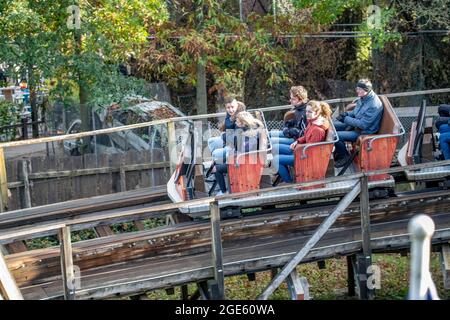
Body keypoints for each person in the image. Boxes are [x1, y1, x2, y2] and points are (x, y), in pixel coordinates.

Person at [272, 101, 332, 183]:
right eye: (306, 111)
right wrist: (297, 142)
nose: (307, 113)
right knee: (275, 147)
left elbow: (311, 150)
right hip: (301, 150)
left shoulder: (318, 130)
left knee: (276, 159)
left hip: (306, 158)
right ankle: (284, 172)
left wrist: (297, 148)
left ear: (317, 112)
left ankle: (289, 182)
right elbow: (305, 136)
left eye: (310, 112)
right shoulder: (312, 122)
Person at [333, 79, 383, 168]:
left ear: (366, 90)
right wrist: (346, 114)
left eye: (360, 89)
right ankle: (339, 151)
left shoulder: (374, 104)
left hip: (364, 131)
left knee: (336, 136)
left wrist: (346, 119)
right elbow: (356, 112)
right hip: (355, 125)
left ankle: (344, 156)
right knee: (332, 126)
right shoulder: (363, 98)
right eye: (357, 88)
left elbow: (364, 124)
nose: (357, 91)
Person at [214, 111, 264, 194]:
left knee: (215, 169)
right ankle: (227, 189)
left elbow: (243, 148)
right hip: (248, 162)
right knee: (221, 159)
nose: (236, 123)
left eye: (237, 121)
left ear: (243, 123)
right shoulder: (254, 130)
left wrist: (226, 137)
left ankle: (224, 192)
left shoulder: (245, 135)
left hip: (242, 165)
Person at [208, 98, 245, 164]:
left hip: (236, 144)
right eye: (228, 107)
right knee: (211, 141)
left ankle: (220, 166)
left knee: (216, 153)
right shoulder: (229, 114)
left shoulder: (241, 116)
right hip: (228, 139)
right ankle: (216, 164)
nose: (230, 110)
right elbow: (227, 126)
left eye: (232, 107)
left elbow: (237, 137)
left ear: (237, 106)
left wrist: (224, 136)